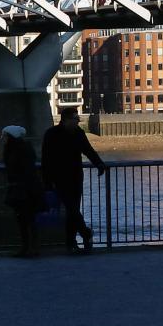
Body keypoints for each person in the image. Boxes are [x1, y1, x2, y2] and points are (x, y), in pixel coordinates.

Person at [41, 107, 108, 253]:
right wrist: (47, 181)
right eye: (75, 119)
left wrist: (99, 163)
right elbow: (45, 159)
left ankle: (71, 242)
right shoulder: (51, 134)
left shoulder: (78, 133)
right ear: (66, 119)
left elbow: (88, 150)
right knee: (72, 209)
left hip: (76, 177)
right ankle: (85, 233)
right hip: (59, 178)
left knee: (73, 210)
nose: (78, 121)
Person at [0, 126, 43, 257]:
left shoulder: (17, 150)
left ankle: (29, 247)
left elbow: (23, 170)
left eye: (5, 136)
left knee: (26, 218)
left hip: (24, 189)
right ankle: (29, 247)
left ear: (11, 137)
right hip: (23, 188)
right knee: (25, 219)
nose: (2, 138)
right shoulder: (22, 148)